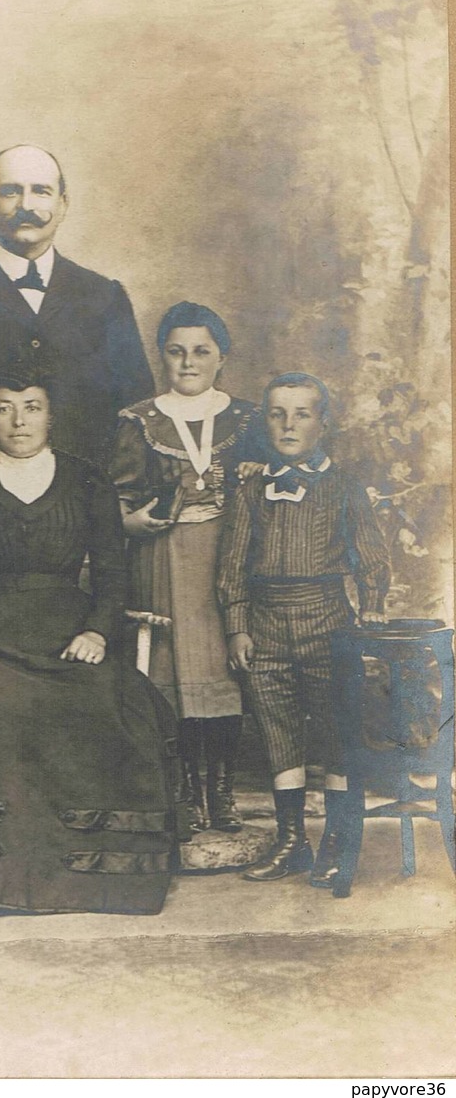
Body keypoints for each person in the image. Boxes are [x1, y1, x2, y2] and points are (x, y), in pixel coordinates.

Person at [0, 361, 186, 917]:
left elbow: (111, 573)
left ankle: (92, 877)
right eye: (4, 408)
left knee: (110, 695)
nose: (19, 421)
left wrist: (97, 631)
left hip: (67, 623)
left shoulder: (87, 480)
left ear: (51, 415)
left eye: (31, 407)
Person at [217, 372, 390, 886]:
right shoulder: (251, 488)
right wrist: (236, 627)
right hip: (265, 623)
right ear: (265, 420)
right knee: (278, 732)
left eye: (302, 414)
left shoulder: (344, 485)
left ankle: (337, 839)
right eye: (277, 413)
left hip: (327, 619)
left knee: (334, 733)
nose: (289, 424)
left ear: (323, 423)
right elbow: (231, 566)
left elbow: (372, 556)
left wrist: (374, 604)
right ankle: (293, 841)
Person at [109, 302, 265, 836]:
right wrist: (132, 523)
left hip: (228, 559)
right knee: (173, 676)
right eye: (176, 352)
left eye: (201, 351)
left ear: (222, 357)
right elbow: (117, 498)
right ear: (162, 357)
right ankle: (185, 789)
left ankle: (221, 786)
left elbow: (271, 483)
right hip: (165, 558)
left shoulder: (248, 418)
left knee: (222, 673)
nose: (189, 362)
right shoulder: (140, 419)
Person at [0, 144, 153, 467]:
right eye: (10, 192)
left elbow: (136, 403)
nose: (26, 205)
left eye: (41, 191)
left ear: (63, 204)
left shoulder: (106, 297)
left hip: (88, 496)